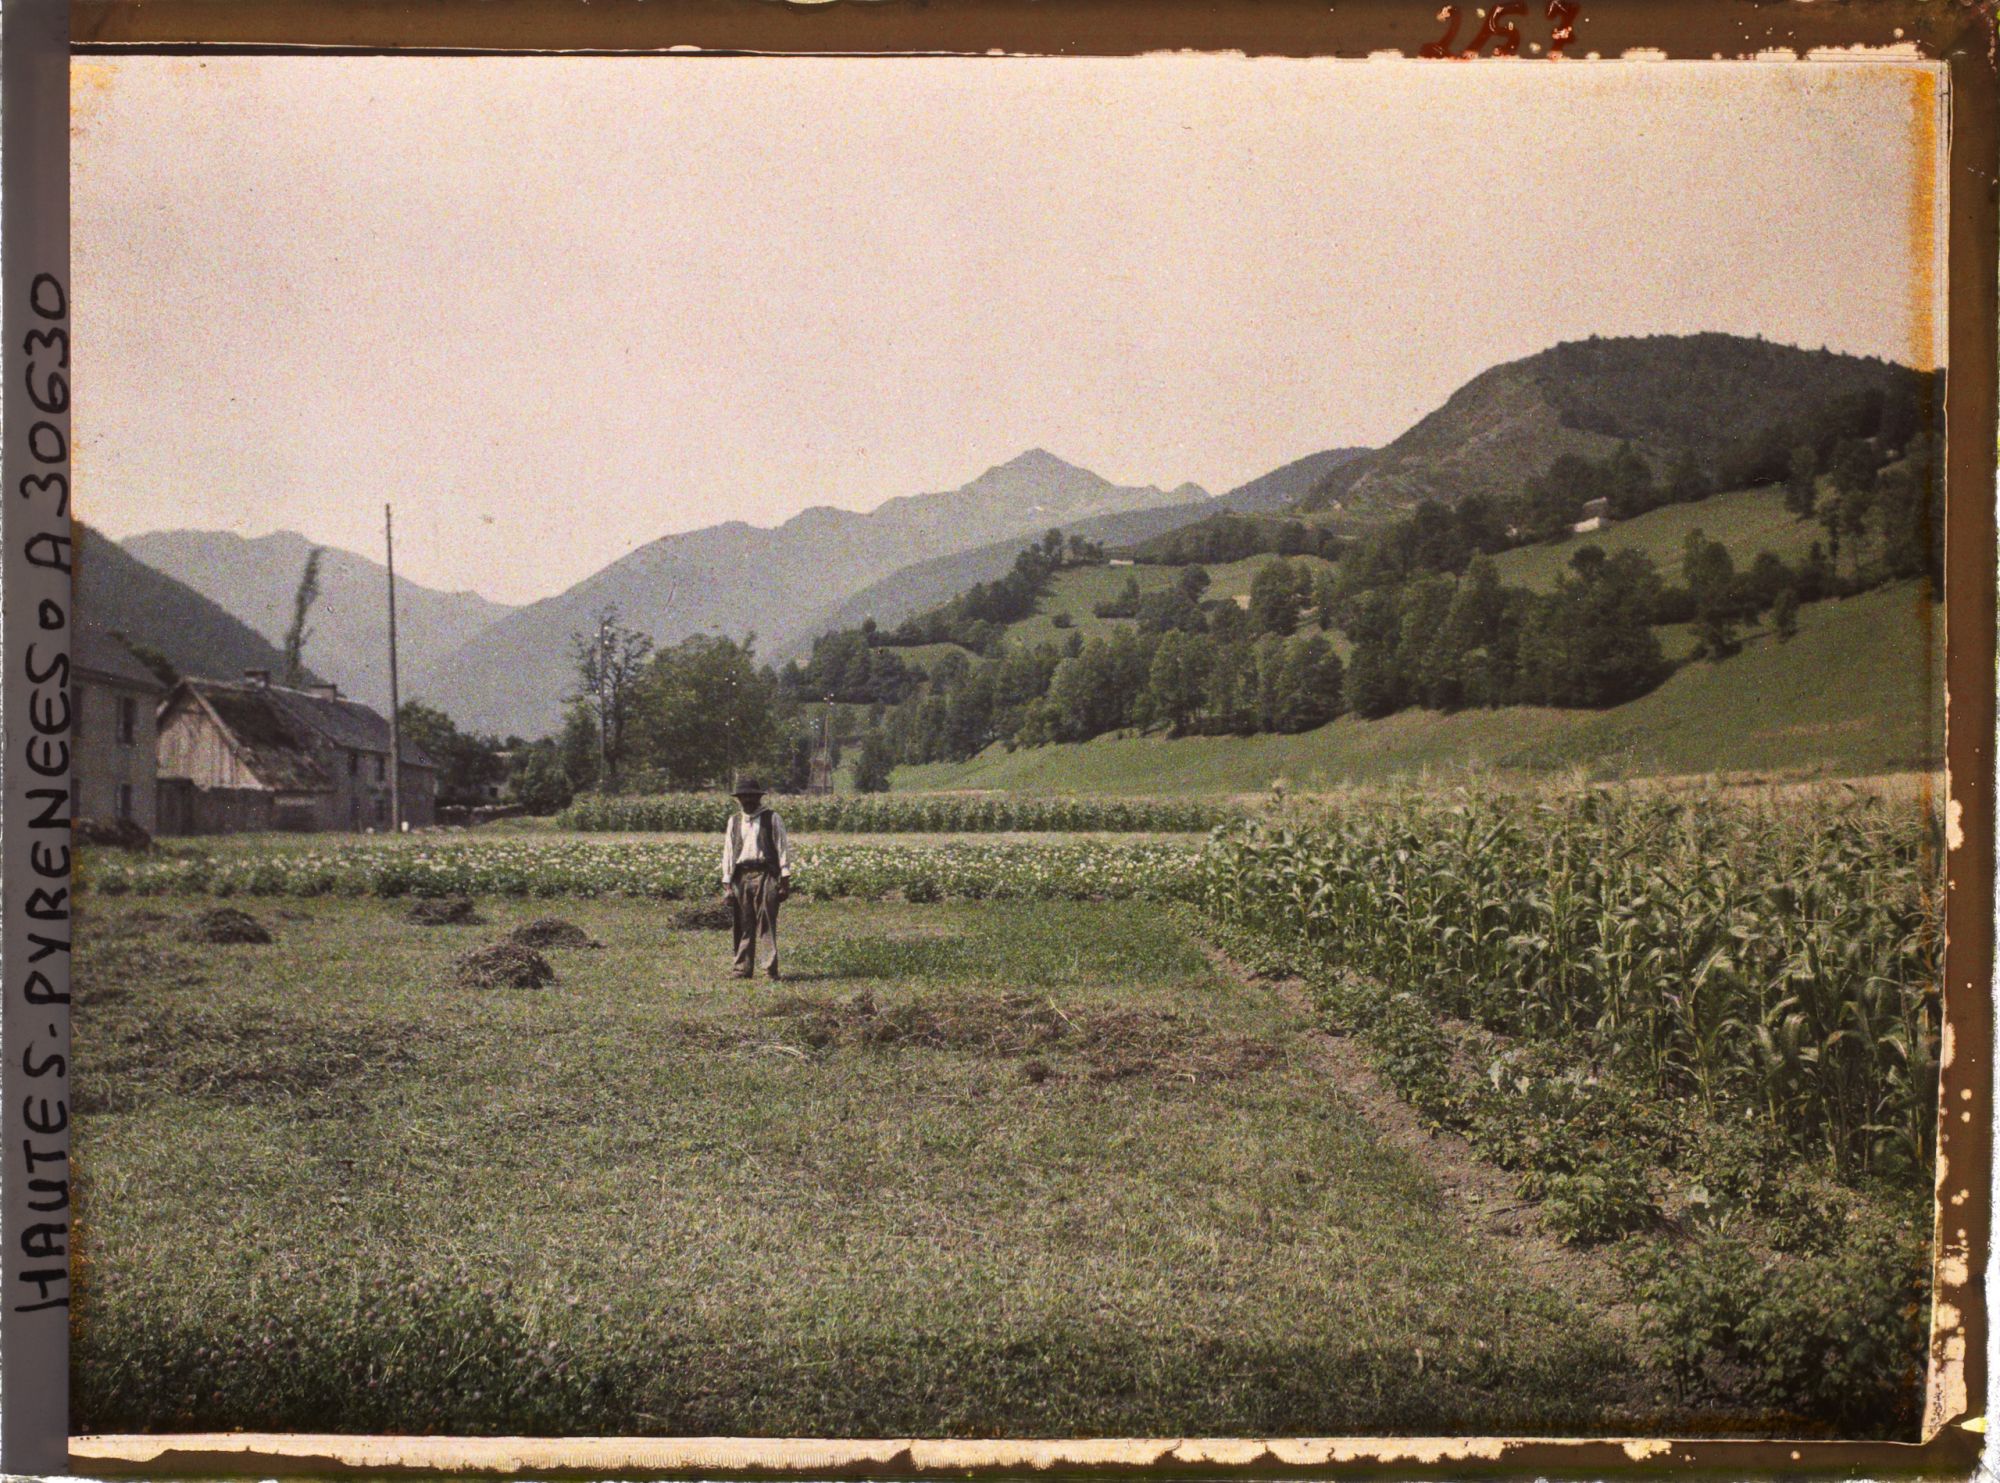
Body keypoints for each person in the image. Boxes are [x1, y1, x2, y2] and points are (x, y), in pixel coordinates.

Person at [721, 777, 791, 980]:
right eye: (744, 797)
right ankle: (742, 968)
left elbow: (782, 849)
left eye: (751, 796)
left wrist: (784, 881)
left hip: (766, 874)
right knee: (743, 923)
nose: (748, 800)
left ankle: (769, 969)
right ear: (739, 799)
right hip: (741, 876)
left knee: (766, 922)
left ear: (759, 797)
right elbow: (728, 852)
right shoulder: (734, 821)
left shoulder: (772, 818)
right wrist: (727, 884)